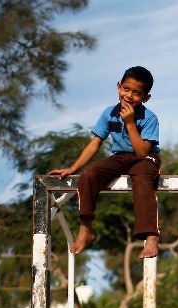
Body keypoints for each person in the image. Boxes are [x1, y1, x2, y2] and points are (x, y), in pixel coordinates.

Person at [49, 66, 162, 259]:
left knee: (143, 180)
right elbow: (95, 144)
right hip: (120, 157)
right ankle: (86, 228)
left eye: (136, 93)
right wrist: (73, 168)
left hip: (145, 158)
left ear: (146, 98)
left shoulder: (149, 117)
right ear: (119, 87)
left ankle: (151, 236)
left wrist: (130, 123)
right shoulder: (109, 113)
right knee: (89, 174)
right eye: (126, 89)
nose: (129, 96)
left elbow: (142, 151)